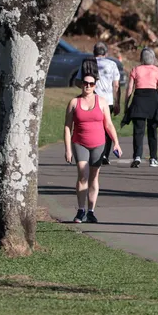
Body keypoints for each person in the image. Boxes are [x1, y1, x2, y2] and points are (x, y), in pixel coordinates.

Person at [64, 61, 122, 224]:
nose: (88, 86)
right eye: (85, 83)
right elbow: (68, 127)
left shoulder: (102, 102)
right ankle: (80, 210)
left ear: (95, 85)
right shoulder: (74, 103)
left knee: (94, 176)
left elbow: (108, 124)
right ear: (81, 84)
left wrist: (116, 142)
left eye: (91, 84)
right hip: (79, 143)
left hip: (98, 144)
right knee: (82, 175)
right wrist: (68, 149)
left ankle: (91, 211)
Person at [123, 47, 158, 168]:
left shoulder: (135, 70)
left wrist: (126, 105)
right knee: (152, 131)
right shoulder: (157, 71)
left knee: (138, 131)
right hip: (153, 102)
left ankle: (137, 156)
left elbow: (129, 89)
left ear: (141, 59)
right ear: (153, 59)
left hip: (139, 101)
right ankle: (153, 158)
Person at [77, 42, 122, 164]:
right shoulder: (112, 64)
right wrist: (117, 102)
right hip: (108, 101)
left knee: (94, 127)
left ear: (94, 52)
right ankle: (104, 155)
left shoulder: (87, 63)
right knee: (107, 126)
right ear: (106, 53)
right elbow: (116, 85)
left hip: (91, 98)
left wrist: (86, 88)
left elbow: (78, 81)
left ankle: (92, 153)